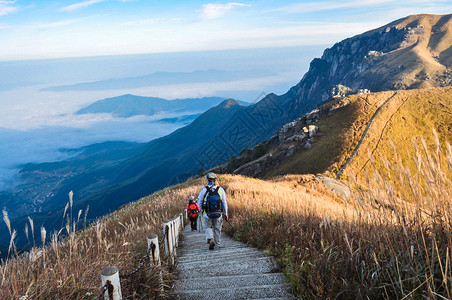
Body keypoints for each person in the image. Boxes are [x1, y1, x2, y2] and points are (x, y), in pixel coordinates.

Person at [198, 172, 228, 250]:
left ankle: (211, 239)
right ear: (215, 180)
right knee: (217, 228)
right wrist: (226, 213)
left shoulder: (204, 190)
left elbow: (199, 202)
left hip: (207, 213)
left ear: (207, 180)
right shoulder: (220, 189)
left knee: (208, 227)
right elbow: (224, 202)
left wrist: (201, 210)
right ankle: (217, 243)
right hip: (218, 213)